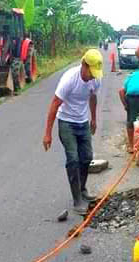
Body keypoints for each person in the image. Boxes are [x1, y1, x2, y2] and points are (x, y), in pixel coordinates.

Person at [42, 49, 103, 215]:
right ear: (84, 65)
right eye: (91, 71)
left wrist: (94, 119)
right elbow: (54, 104)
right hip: (66, 122)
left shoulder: (95, 79)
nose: (93, 76)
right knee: (73, 159)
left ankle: (82, 189)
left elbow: (93, 97)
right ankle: (77, 199)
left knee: (87, 157)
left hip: (82, 122)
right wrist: (48, 133)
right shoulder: (69, 79)